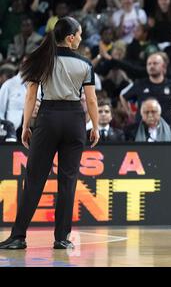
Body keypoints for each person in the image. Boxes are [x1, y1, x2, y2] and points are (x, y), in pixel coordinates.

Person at [0, 17, 100, 250]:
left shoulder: (42, 59)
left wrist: (26, 126)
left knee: (34, 179)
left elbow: (30, 96)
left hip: (47, 117)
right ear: (71, 37)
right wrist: (94, 126)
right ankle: (62, 238)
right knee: (68, 181)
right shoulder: (85, 64)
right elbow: (92, 100)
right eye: (81, 34)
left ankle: (18, 236)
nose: (82, 38)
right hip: (74, 119)